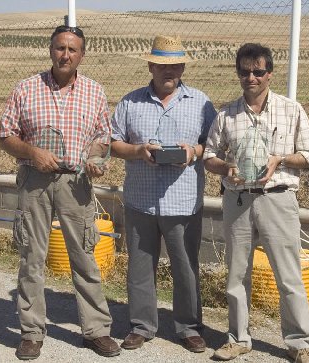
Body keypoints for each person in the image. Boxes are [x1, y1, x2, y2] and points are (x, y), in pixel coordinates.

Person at [0, 25, 120, 360]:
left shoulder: (94, 92)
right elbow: (5, 135)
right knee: (31, 257)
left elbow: (103, 137)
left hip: (75, 184)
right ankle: (31, 332)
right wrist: (32, 152)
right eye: (60, 48)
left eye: (72, 49)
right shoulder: (26, 88)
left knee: (84, 256)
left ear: (82, 54)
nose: (65, 55)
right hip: (34, 181)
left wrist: (96, 158)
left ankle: (96, 331)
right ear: (50, 50)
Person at [203, 43, 309, 363]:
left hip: (277, 200)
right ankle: (238, 338)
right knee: (236, 274)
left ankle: (299, 342)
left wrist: (279, 160)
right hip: (237, 201)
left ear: (270, 73)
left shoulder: (291, 110)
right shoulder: (226, 115)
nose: (250, 77)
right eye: (244, 71)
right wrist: (227, 168)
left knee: (288, 274)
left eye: (257, 71)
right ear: (238, 73)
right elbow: (208, 157)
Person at [110, 35, 217, 353]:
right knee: (140, 266)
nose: (168, 70)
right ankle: (141, 326)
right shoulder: (130, 102)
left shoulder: (201, 103)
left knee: (186, 267)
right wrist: (138, 150)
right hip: (140, 200)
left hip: (183, 201)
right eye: (162, 64)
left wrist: (193, 151)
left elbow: (213, 145)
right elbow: (113, 143)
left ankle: (188, 327)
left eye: (175, 65)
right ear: (151, 65)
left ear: (183, 66)